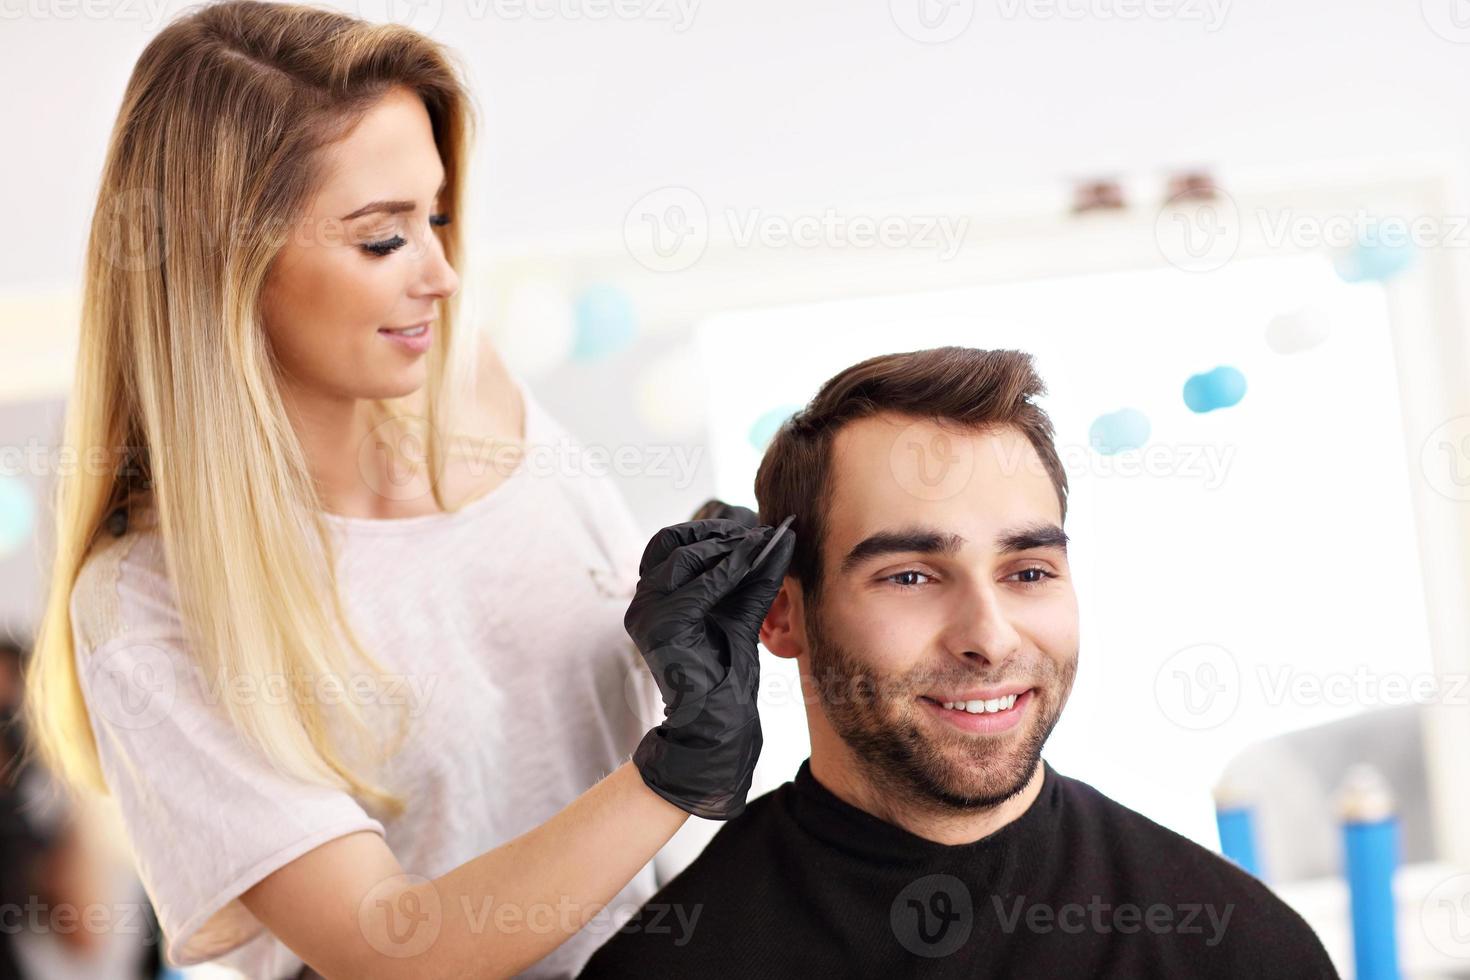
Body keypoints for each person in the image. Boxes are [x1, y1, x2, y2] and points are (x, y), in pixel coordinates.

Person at [20, 2, 793, 977]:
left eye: (436, 215)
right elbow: (387, 946)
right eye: (383, 238)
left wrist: (683, 600)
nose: (442, 271)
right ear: (229, 268)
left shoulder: (479, 388)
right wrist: (677, 772)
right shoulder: (148, 601)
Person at [579, 346, 1340, 978]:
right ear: (781, 613)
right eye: (910, 575)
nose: (992, 637)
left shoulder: (1241, 949)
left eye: (1028, 572)